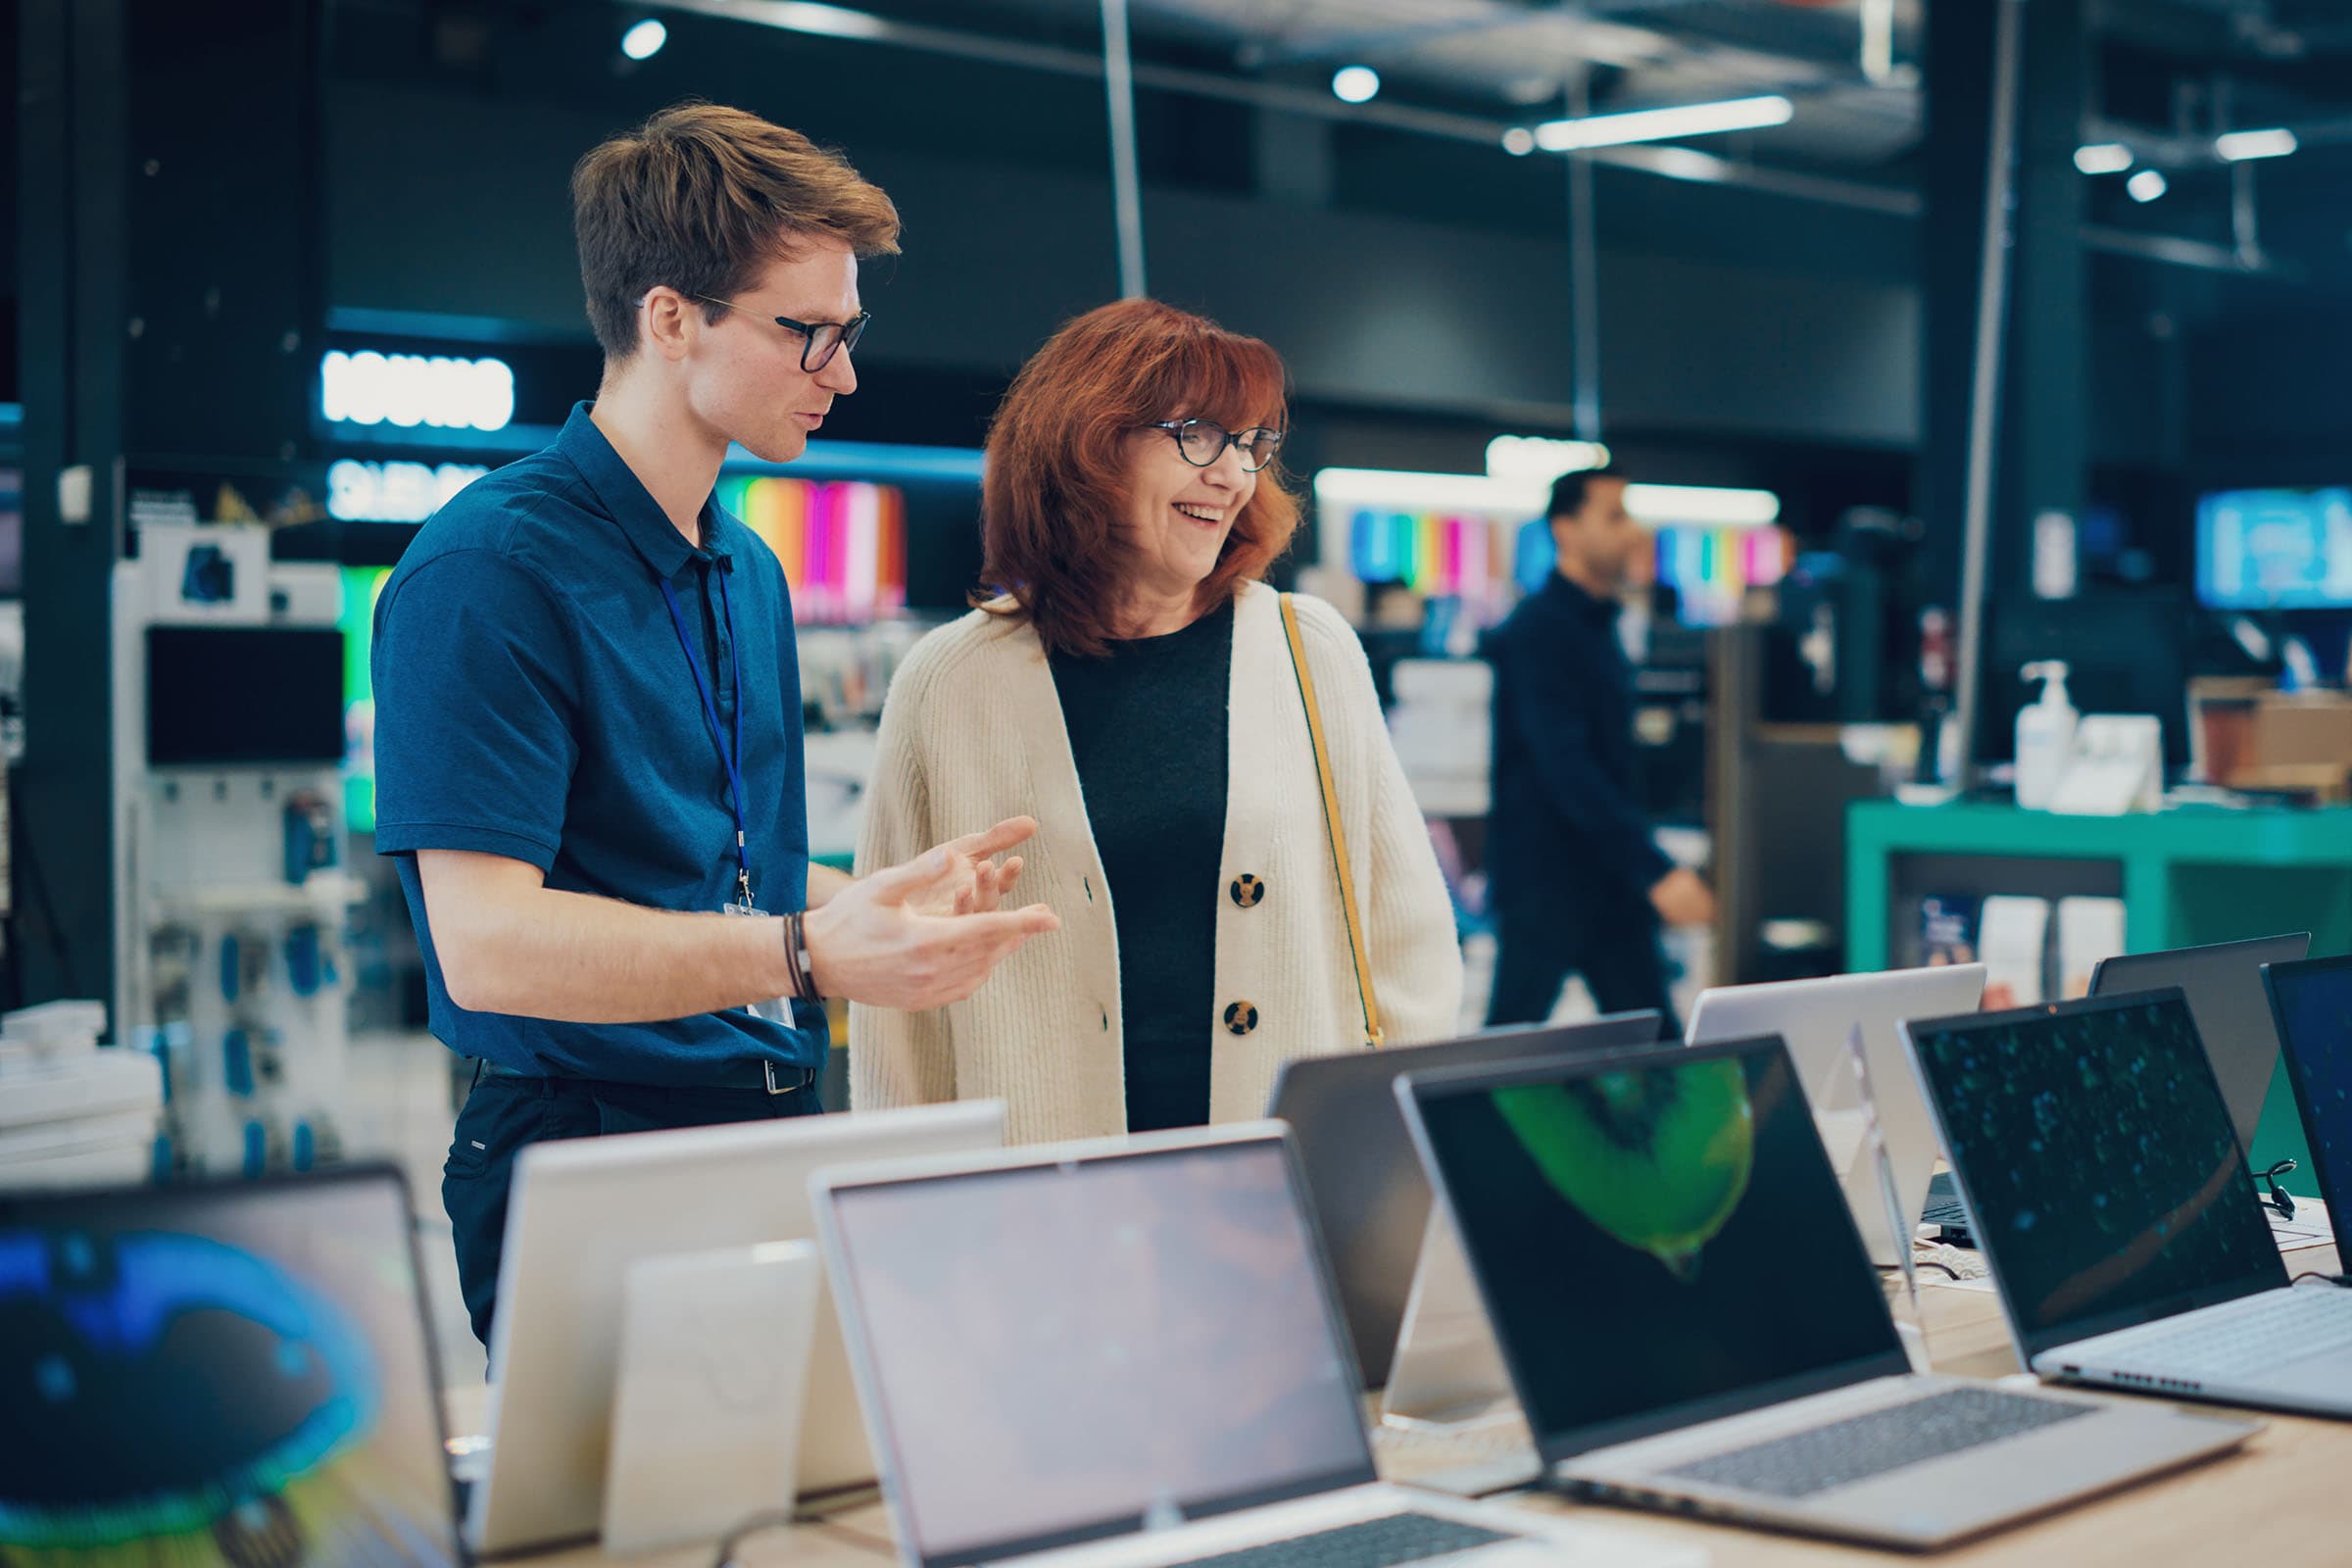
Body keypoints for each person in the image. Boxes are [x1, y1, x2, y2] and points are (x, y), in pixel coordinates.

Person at [370, 104, 1056, 1345]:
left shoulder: (744, 567)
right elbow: (486, 944)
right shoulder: (483, 570)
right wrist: (803, 953)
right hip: (585, 1141)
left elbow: (724, 874)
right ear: (669, 317)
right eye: (808, 335)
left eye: (849, 335)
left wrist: (875, 904)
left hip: (767, 1115)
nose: (842, 374)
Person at [850, 299, 1460, 1144]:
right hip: (1046, 1201)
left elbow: (1409, 945)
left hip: (1280, 1188)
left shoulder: (1305, 651)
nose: (1233, 474)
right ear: (1088, 444)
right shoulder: (953, 683)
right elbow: (898, 1005)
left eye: (1250, 444)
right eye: (1200, 436)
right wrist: (903, 1203)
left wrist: (1395, 1155)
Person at [1483, 467, 1714, 1035]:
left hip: (1606, 880)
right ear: (1565, 528)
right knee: (1503, 1054)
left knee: (1659, 1046)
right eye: (1614, 516)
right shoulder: (1539, 630)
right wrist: (1652, 868)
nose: (1632, 532)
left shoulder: (1601, 624)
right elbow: (1566, 766)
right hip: (1547, 882)